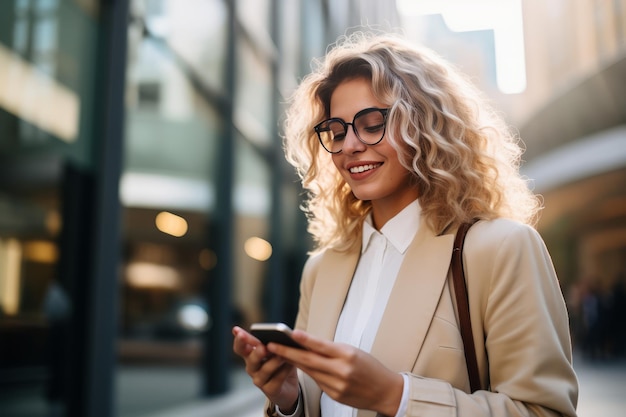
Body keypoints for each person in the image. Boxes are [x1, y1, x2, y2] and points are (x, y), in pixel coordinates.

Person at [232, 31, 578, 417]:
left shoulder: (501, 249)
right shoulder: (322, 269)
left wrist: (396, 396)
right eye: (337, 130)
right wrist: (290, 399)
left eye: (372, 122)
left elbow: (543, 411)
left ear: (426, 126)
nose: (349, 145)